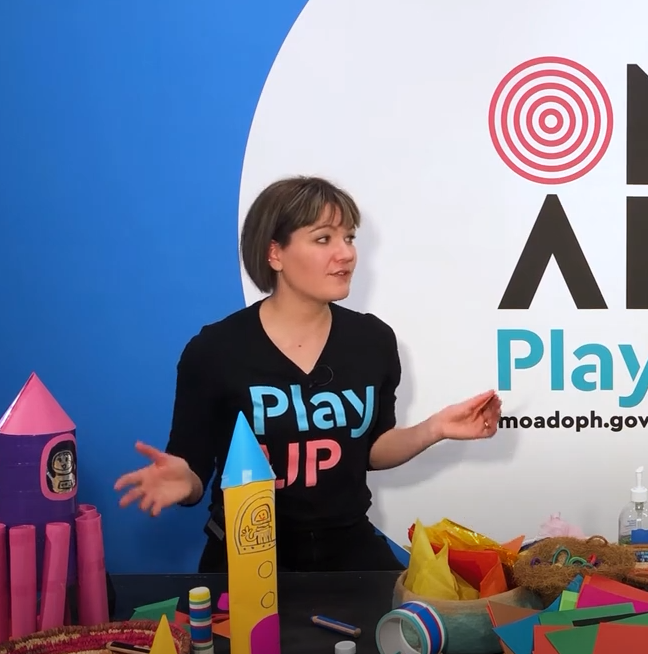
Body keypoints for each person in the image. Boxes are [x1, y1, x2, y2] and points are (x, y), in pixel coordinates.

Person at [114, 176, 503, 573]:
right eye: (323, 239)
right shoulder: (215, 350)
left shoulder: (373, 340)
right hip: (247, 554)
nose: (346, 254)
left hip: (349, 547)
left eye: (349, 238)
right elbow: (192, 468)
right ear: (275, 253)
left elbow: (371, 448)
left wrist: (435, 428)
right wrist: (187, 482)